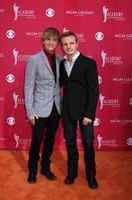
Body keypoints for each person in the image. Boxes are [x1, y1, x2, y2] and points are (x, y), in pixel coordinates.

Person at [60, 31, 99, 189]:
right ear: (62, 46)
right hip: (67, 111)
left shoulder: (89, 63)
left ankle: (91, 176)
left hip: (85, 113)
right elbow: (61, 84)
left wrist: (89, 114)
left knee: (88, 144)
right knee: (70, 143)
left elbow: (94, 90)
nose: (68, 46)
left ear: (77, 44)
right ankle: (72, 173)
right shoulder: (62, 64)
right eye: (65, 44)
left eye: (71, 43)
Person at [24, 27, 62, 184]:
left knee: (50, 140)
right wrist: (30, 111)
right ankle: (32, 170)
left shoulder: (61, 60)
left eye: (54, 40)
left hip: (56, 107)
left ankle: (45, 168)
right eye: (48, 39)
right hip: (39, 108)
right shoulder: (34, 59)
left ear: (57, 42)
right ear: (43, 41)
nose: (51, 43)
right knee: (37, 139)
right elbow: (28, 86)